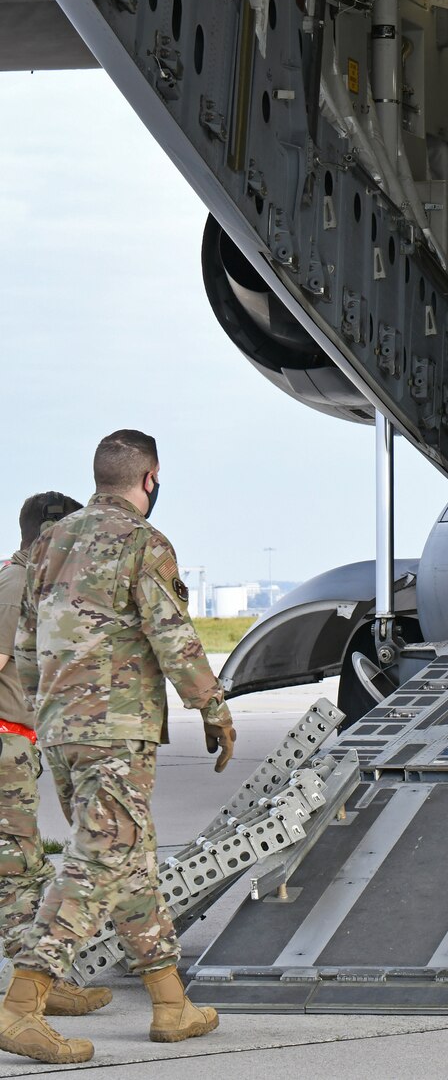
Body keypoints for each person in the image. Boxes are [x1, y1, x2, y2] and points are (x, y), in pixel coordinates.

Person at [0, 431, 238, 1065]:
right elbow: (173, 635)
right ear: (150, 478)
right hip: (115, 729)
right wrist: (212, 707)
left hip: (59, 728)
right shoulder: (143, 542)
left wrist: (42, 707)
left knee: (129, 859)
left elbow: (26, 639)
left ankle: (170, 1003)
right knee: (103, 858)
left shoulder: (50, 540)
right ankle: (23, 1004)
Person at [0, 494, 109, 1020]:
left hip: (20, 740)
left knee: (23, 865)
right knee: (18, 869)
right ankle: (34, 994)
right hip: (6, 742)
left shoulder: (29, 579)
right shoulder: (18, 582)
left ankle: (43, 982)